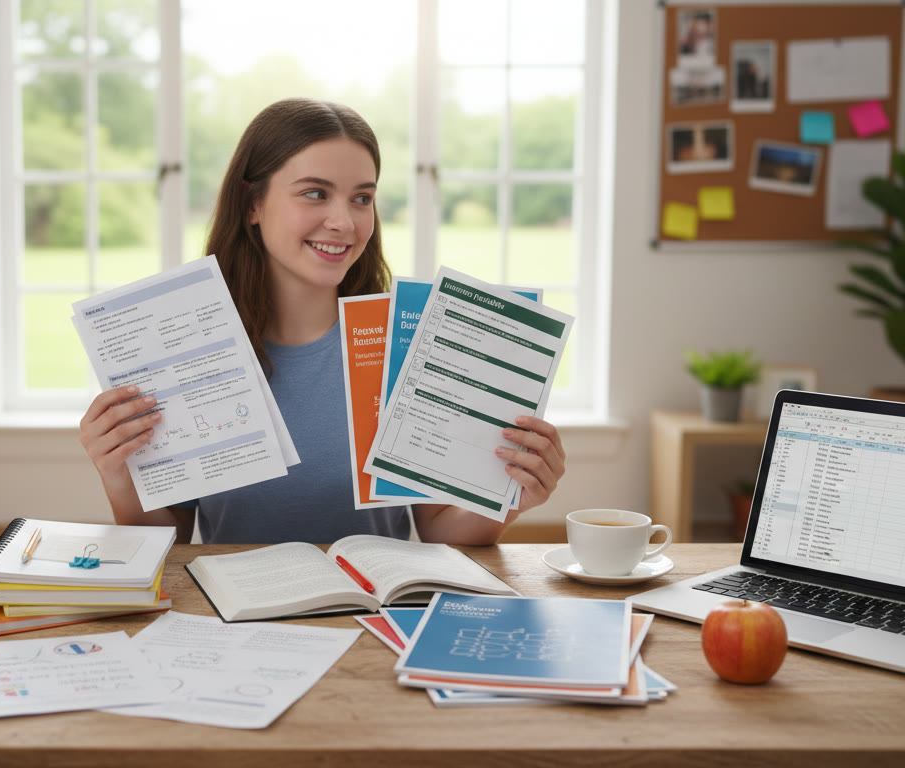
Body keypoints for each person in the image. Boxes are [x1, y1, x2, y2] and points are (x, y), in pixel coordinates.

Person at [79, 98, 567, 546]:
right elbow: (172, 543)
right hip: (233, 624)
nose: (345, 222)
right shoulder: (182, 351)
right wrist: (121, 480)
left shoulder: (405, 346)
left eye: (361, 198)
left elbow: (439, 531)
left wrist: (511, 498)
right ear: (252, 203)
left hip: (373, 620)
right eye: (315, 193)